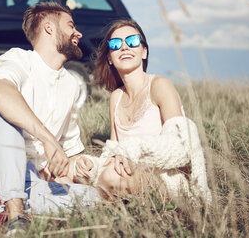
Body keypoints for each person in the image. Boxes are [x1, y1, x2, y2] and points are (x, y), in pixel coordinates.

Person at [0, 2, 88, 232]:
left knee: (94, 198)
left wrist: (79, 167)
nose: (78, 33)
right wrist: (47, 138)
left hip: (29, 180)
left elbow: (71, 151)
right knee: (4, 114)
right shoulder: (19, 59)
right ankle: (16, 219)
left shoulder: (70, 84)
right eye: (70, 25)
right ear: (49, 28)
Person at [89, 19, 212, 204]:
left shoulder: (160, 85)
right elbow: (112, 151)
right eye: (115, 44)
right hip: (127, 176)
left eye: (132, 41)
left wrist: (132, 149)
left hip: (167, 181)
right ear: (109, 58)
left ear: (144, 51)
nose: (124, 47)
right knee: (69, 172)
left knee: (111, 178)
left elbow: (181, 147)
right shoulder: (116, 96)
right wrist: (90, 165)